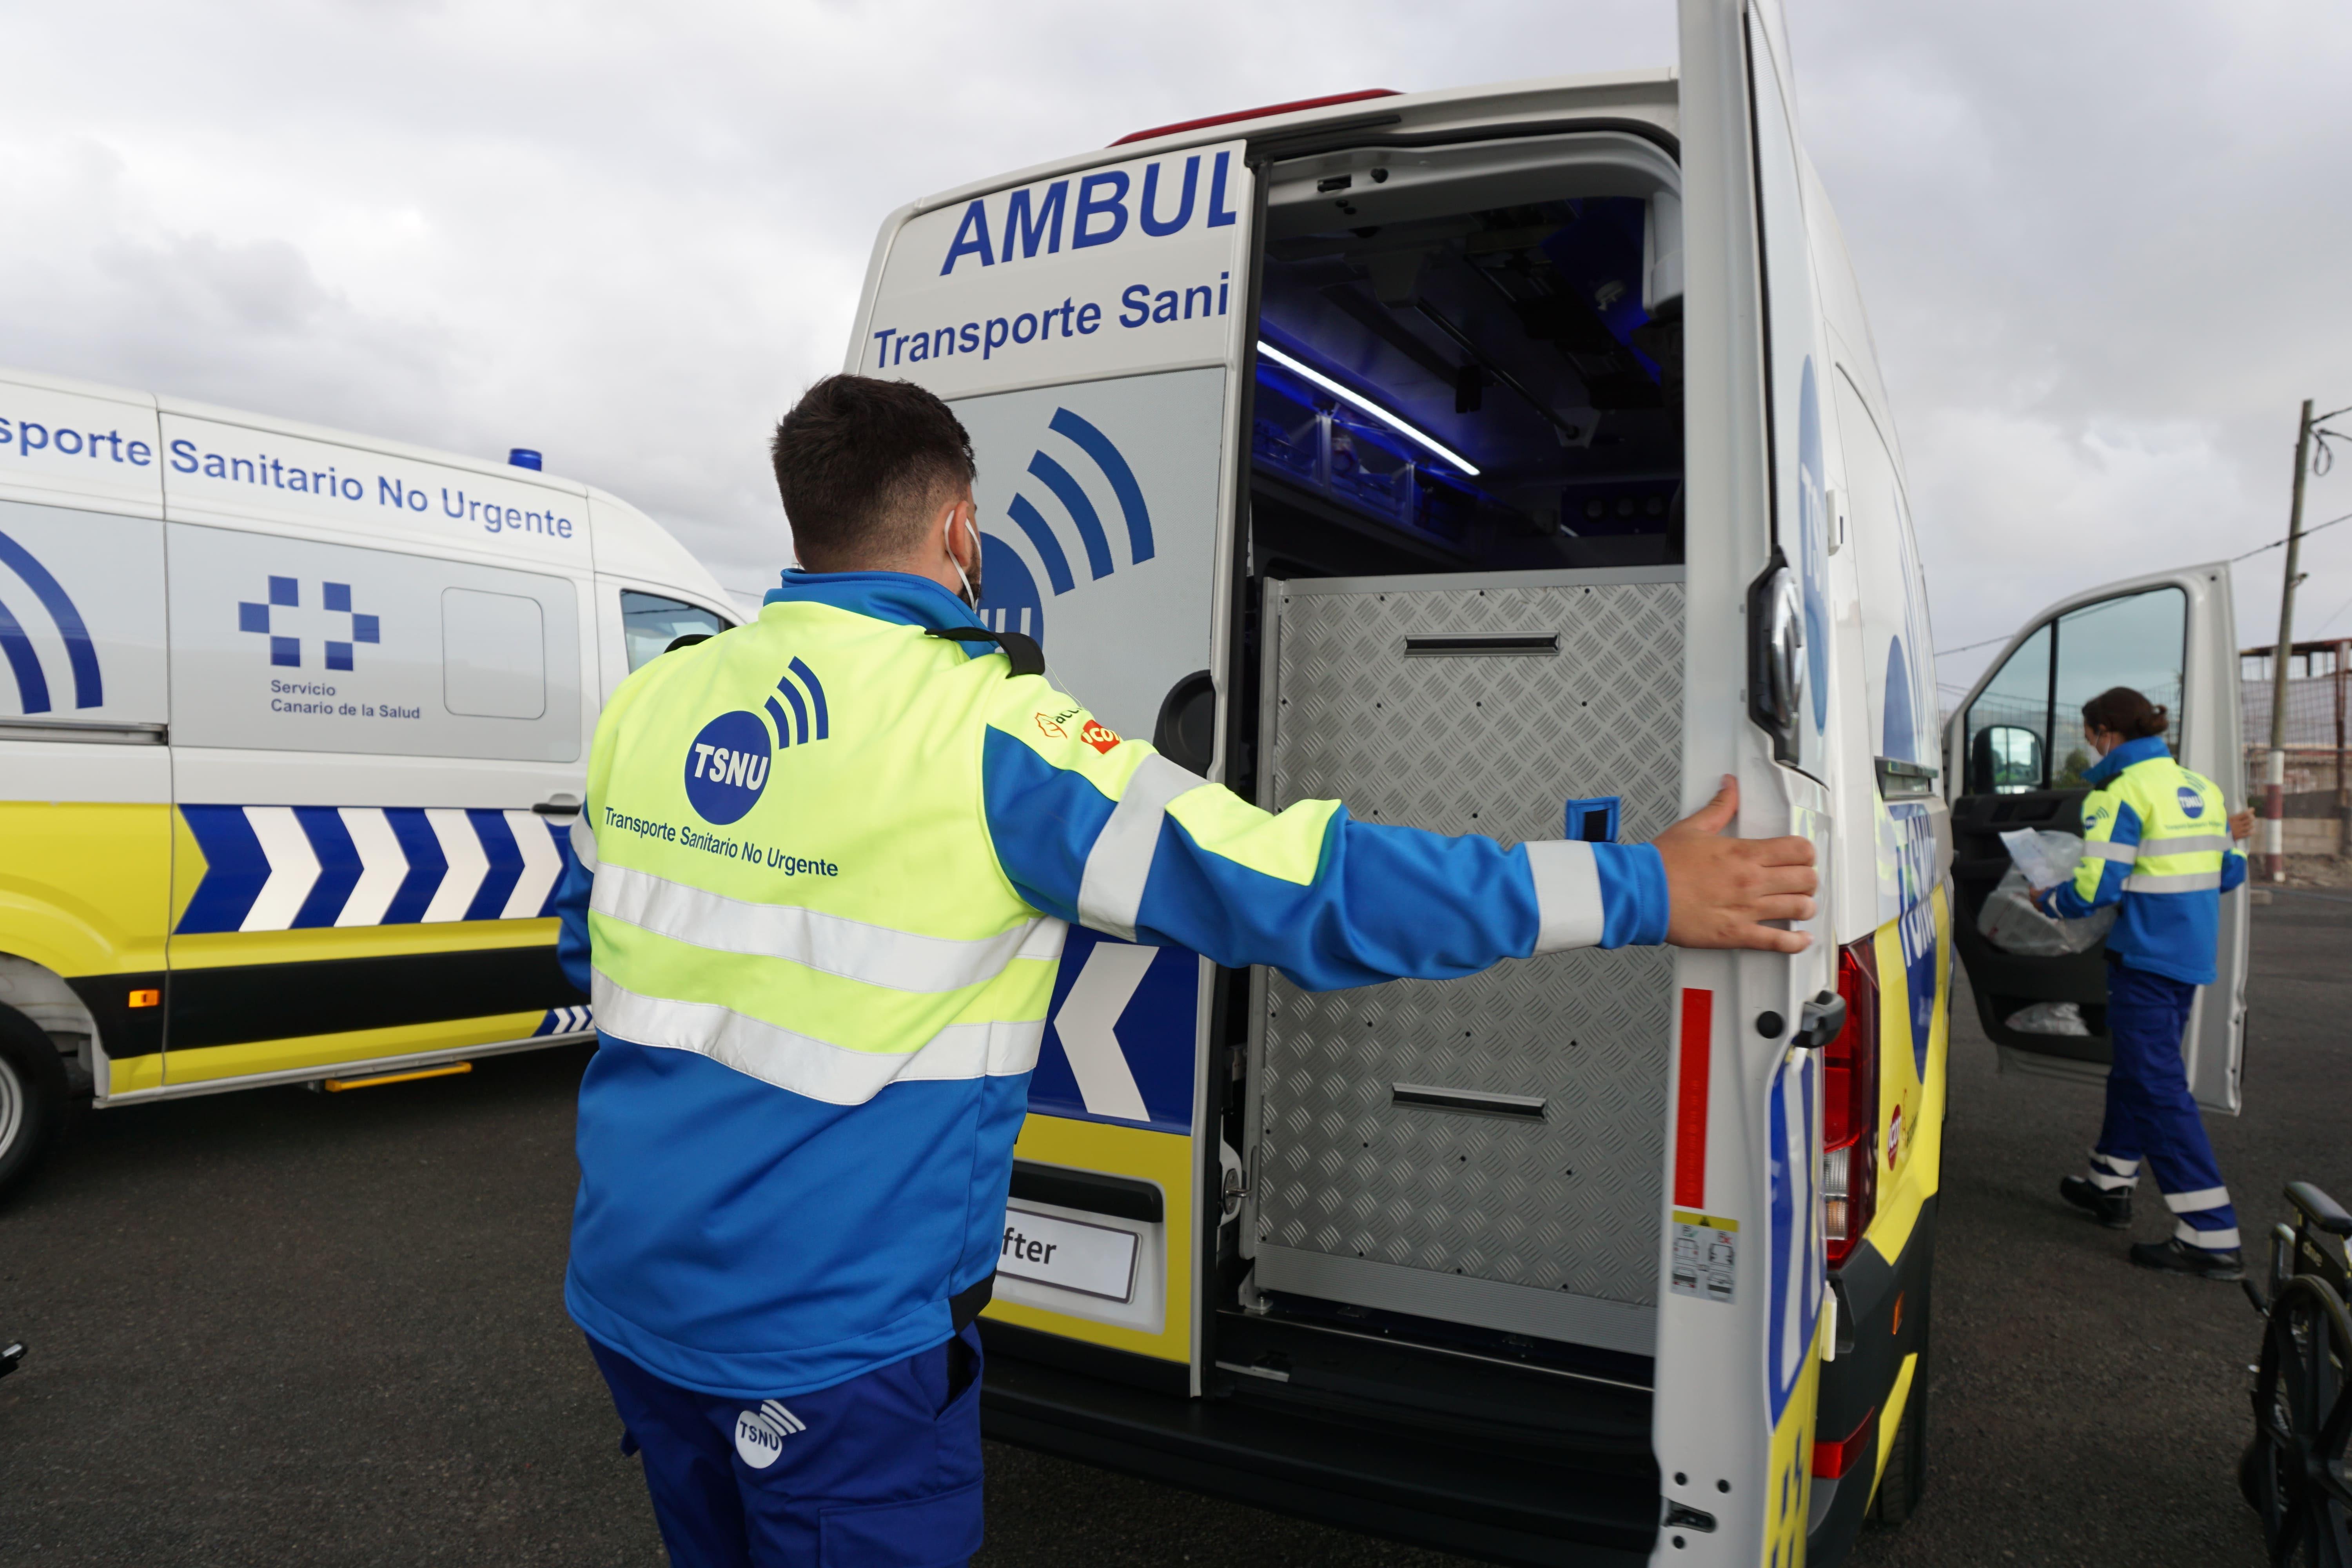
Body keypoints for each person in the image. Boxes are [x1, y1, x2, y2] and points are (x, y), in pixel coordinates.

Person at [552, 373, 1818, 1568]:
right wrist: (1645, 886)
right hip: (832, 1351)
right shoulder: (994, 734)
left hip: (631, 1299)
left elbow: (593, 946)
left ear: (805, 525)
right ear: (961, 527)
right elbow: (1305, 892)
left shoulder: (652, 706)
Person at [2036, 685, 2250, 1279]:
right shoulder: (2201, 789)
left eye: (2089, 737)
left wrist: (2046, 899)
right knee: (2137, 1072)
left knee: (2158, 1089)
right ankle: (2110, 1181)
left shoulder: (2120, 794)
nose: (2090, 748)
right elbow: (2227, 874)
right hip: (2186, 960)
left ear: (2107, 731)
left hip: (2145, 962)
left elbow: (2095, 890)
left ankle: (2211, 1233)